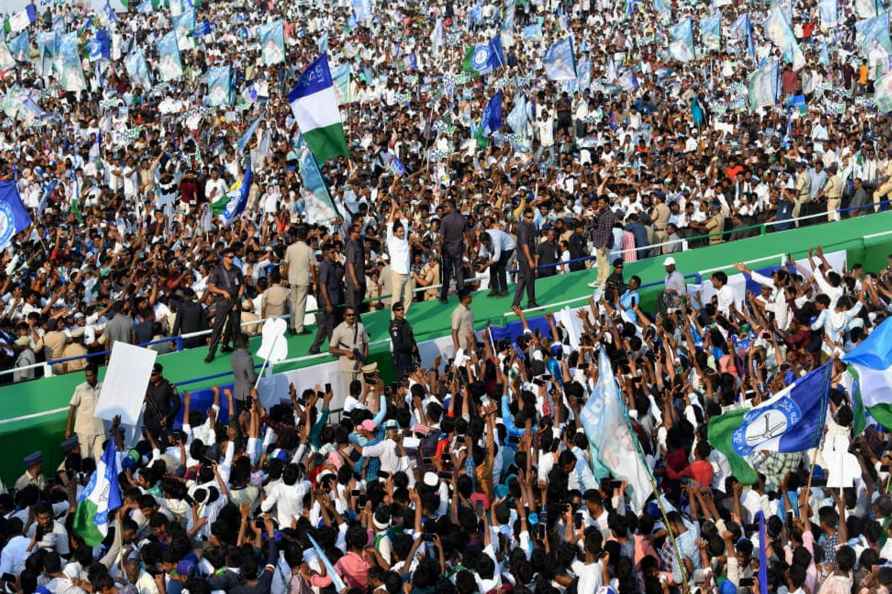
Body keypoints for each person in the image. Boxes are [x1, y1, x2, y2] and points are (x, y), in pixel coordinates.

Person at [204, 247, 245, 363]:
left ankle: (231, 347)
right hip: (222, 302)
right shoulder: (217, 271)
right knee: (218, 326)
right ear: (224, 258)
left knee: (236, 325)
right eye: (230, 257)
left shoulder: (237, 270)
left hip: (235, 300)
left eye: (233, 257)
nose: (232, 259)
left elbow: (242, 284)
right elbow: (211, 286)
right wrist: (223, 292)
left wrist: (239, 296)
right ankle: (211, 352)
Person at [308, 242, 345, 355]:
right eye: (332, 252)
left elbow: (340, 275)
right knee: (330, 326)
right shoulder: (324, 265)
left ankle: (315, 347)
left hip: (335, 299)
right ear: (325, 253)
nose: (335, 254)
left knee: (325, 325)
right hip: (328, 300)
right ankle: (333, 349)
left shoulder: (334, 264)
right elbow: (322, 284)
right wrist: (328, 303)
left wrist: (339, 263)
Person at [65, 365, 104, 461]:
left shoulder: (103, 387)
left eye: (90, 376)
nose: (88, 378)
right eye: (86, 376)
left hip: (100, 431)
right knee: (86, 460)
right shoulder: (80, 389)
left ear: (96, 375)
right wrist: (68, 429)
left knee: (101, 460)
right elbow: (72, 408)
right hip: (84, 432)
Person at [329, 305, 369, 396]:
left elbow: (366, 343)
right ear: (344, 316)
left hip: (360, 366)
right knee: (350, 394)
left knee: (363, 394)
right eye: (349, 315)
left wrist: (364, 359)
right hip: (347, 368)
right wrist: (345, 352)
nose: (351, 317)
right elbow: (331, 349)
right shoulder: (338, 330)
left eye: (353, 314)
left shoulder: (361, 326)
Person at [283, 225, 316, 335]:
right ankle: (299, 328)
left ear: (297, 236)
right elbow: (312, 268)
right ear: (306, 236)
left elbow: (286, 265)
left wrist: (284, 276)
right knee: (301, 304)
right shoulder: (309, 249)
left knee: (293, 303)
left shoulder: (290, 248)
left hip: (292, 278)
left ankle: (292, 326)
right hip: (303, 279)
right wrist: (315, 281)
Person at [386, 203, 415, 315]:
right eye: (399, 231)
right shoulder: (391, 240)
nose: (402, 233)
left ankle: (402, 316)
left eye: (403, 231)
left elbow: (405, 221)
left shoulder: (404, 238)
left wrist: (398, 207)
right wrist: (393, 209)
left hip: (407, 273)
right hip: (397, 274)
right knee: (396, 299)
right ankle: (394, 320)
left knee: (409, 298)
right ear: (394, 233)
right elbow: (389, 224)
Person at [439, 199, 467, 303]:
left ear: (450, 207)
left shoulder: (445, 220)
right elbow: (467, 235)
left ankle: (444, 297)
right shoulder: (462, 219)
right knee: (459, 272)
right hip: (458, 249)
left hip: (447, 250)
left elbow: (441, 238)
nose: (444, 209)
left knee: (446, 273)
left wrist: (440, 249)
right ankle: (462, 296)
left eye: (445, 207)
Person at [143, 363, 180, 436]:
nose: (151, 377)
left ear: (160, 373)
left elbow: (177, 404)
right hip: (149, 422)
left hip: (163, 421)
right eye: (149, 374)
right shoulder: (147, 384)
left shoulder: (168, 386)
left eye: (153, 374)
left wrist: (167, 417)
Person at [513, 207, 538, 309]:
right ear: (524, 217)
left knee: (522, 280)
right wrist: (530, 260)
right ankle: (531, 302)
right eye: (528, 217)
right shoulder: (523, 227)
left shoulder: (531, 225)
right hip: (525, 258)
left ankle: (515, 304)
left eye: (532, 217)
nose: (530, 219)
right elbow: (525, 246)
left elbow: (533, 242)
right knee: (530, 280)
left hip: (527, 256)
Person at [484, 220, 515, 297]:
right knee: (492, 267)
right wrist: (481, 261)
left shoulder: (495, 239)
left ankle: (504, 290)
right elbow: (483, 253)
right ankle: (495, 289)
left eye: (486, 243)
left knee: (500, 266)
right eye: (483, 243)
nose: (484, 245)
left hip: (508, 247)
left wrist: (485, 265)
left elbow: (496, 258)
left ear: (489, 240)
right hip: (500, 248)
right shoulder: (483, 236)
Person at [389, 302, 419, 380]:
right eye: (398, 310)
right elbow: (398, 345)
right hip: (401, 359)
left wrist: (417, 355)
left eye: (402, 309)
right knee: (405, 383)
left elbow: (412, 339)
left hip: (410, 357)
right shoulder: (394, 326)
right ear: (394, 312)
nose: (401, 311)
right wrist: (410, 347)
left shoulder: (406, 322)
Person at [345, 222, 367, 310]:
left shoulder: (358, 243)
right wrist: (355, 282)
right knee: (353, 306)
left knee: (359, 305)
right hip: (354, 280)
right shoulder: (351, 245)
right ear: (352, 233)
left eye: (360, 232)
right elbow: (350, 264)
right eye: (357, 232)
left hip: (360, 277)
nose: (359, 234)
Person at [230, 334, 257, 403]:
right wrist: (258, 375)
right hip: (247, 393)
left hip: (237, 392)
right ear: (246, 343)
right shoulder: (248, 359)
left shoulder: (233, 355)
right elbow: (252, 379)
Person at [451, 289, 475, 354]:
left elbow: (471, 328)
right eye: (469, 297)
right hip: (463, 347)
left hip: (471, 345)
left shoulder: (469, 310)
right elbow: (454, 332)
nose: (471, 298)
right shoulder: (457, 312)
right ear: (464, 298)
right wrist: (458, 349)